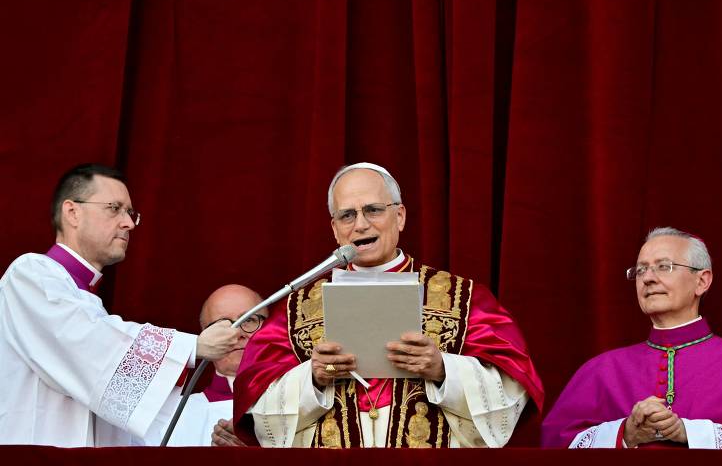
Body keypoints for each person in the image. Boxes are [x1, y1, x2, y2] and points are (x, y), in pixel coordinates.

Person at [233, 162, 544, 448]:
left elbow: (511, 393)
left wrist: (443, 370)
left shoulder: (462, 298)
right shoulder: (296, 308)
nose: (361, 224)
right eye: (347, 215)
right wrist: (311, 379)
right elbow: (258, 404)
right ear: (334, 228)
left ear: (400, 216)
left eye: (373, 210)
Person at [0, 164, 241, 446]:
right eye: (114, 208)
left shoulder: (86, 301)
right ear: (72, 212)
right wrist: (192, 347)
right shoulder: (30, 274)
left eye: (130, 213)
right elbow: (86, 342)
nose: (128, 223)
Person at [541, 227, 722, 449]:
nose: (648, 278)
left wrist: (687, 432)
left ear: (702, 281)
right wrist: (625, 433)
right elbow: (555, 444)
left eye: (664, 266)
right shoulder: (600, 370)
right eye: (640, 270)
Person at [156, 284, 267, 446]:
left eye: (249, 320)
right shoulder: (171, 415)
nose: (238, 333)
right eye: (222, 324)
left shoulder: (306, 398)